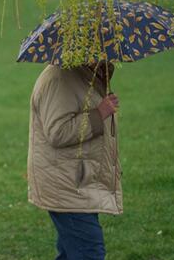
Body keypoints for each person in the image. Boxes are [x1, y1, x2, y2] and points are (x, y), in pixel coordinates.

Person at [27, 60, 121, 259]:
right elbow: (57, 132)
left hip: (79, 180)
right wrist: (99, 114)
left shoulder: (83, 74)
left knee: (72, 253)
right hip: (67, 185)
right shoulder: (61, 78)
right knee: (89, 253)